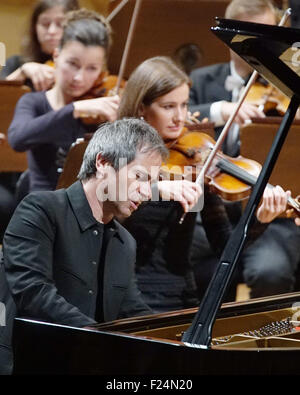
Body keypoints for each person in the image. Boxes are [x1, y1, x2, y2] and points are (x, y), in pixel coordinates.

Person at [118, 55, 290, 312]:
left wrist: (259, 220)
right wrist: (157, 189)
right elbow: (102, 196)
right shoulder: (118, 149)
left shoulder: (196, 159)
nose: (180, 117)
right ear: (142, 107)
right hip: (127, 290)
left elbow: (223, 245)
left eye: (184, 105)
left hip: (180, 293)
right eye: (168, 107)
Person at [0, 117, 169, 375]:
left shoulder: (125, 242)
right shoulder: (41, 210)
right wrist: (96, 336)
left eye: (151, 182)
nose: (147, 193)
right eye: (140, 177)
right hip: (28, 361)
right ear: (102, 163)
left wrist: (173, 338)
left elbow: (131, 309)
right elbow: (33, 292)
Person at [189, 0, 300, 299]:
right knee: (186, 266)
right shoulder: (202, 80)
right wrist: (218, 109)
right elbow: (174, 118)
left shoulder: (288, 87)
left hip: (271, 215)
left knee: (270, 272)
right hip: (214, 215)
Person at [7, 8, 120, 194]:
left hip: (86, 210)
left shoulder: (103, 107)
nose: (79, 77)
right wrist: (74, 109)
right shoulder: (33, 101)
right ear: (57, 56)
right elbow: (18, 139)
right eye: (73, 64)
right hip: (41, 207)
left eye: (92, 68)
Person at [0, 0, 79, 91]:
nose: (51, 31)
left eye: (60, 24)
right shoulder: (15, 63)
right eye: (45, 24)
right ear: (35, 27)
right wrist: (22, 72)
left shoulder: (82, 70)